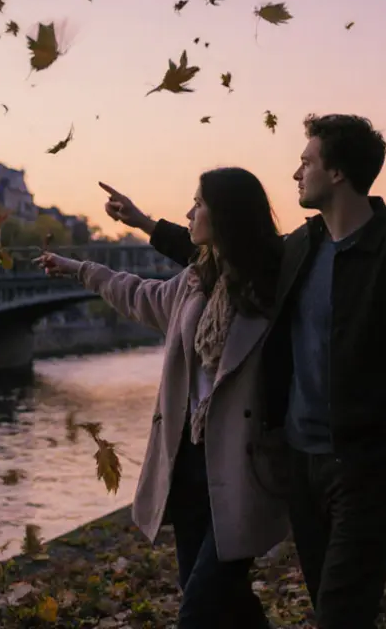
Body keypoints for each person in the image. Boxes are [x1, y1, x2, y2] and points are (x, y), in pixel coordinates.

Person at [99, 113, 386, 628]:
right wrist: (144, 223)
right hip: (301, 462)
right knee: (326, 600)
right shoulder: (298, 250)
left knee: (341, 610)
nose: (296, 173)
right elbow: (225, 251)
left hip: (367, 467)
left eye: (306, 161)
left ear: (336, 173)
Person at [37, 168, 288, 628]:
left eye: (199, 203)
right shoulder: (194, 283)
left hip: (243, 467)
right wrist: (80, 269)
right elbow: (137, 294)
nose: (190, 211)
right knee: (219, 595)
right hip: (188, 463)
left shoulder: (278, 289)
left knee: (198, 607)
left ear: (227, 216)